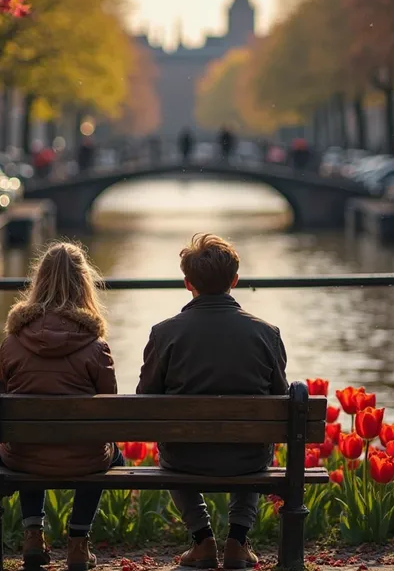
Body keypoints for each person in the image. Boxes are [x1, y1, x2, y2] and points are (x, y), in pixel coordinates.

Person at [137, 234, 288, 569]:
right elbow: (281, 397)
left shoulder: (165, 333)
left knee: (173, 448)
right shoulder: (266, 333)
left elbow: (145, 399)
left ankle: (203, 540)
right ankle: (237, 541)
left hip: (185, 457)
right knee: (255, 443)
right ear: (234, 281)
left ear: (187, 283)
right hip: (247, 458)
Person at [0, 242, 123, 570]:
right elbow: (110, 410)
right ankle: (79, 544)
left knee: (28, 441)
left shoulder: (12, 342)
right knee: (102, 448)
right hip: (85, 459)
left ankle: (33, 535)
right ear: (85, 284)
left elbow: (5, 394)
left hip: (24, 456)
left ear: (38, 282)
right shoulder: (96, 347)